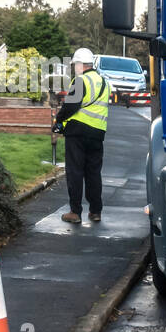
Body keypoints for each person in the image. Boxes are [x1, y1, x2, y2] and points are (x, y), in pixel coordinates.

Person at [53, 47, 109, 224]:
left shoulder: (80, 81)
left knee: (75, 171)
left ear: (80, 64)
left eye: (75, 64)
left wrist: (58, 121)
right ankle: (95, 211)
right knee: (93, 173)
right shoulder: (104, 82)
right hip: (98, 133)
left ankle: (75, 212)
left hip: (77, 133)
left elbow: (70, 106)